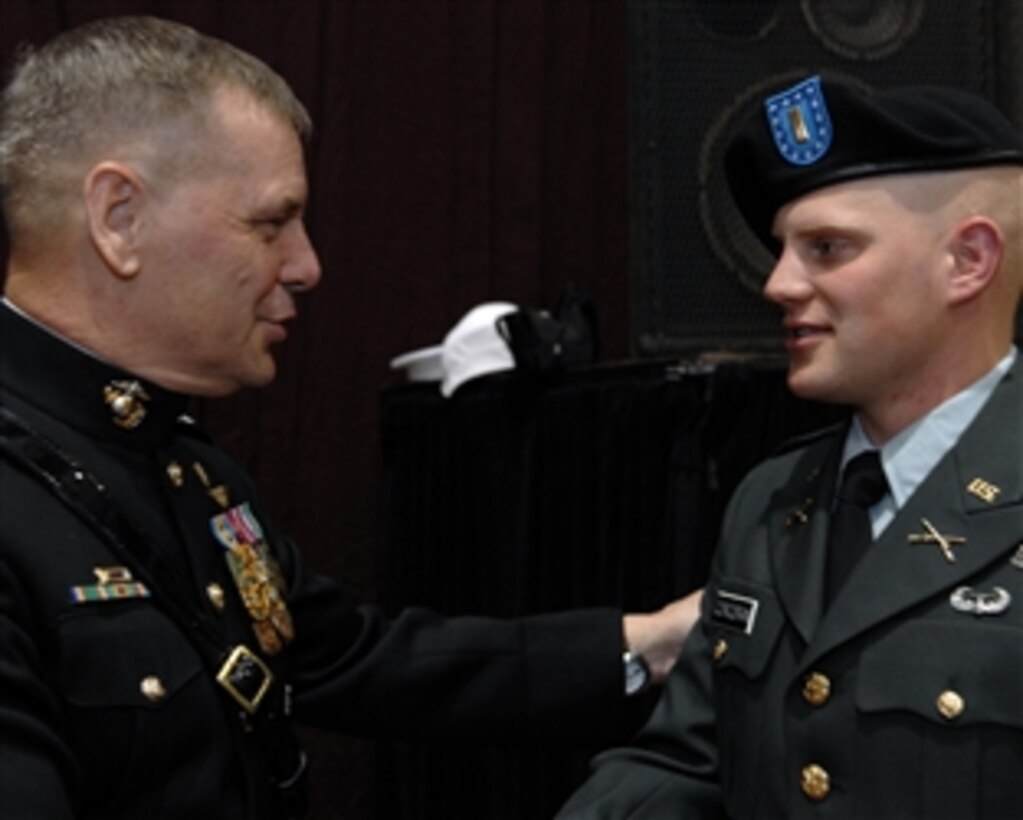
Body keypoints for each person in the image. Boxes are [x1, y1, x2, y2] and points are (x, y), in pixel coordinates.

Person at [0, 16, 703, 820]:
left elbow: (355, 660)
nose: (306, 266)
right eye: (269, 224)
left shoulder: (182, 467)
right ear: (118, 218)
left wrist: (648, 645)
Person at [558, 75, 1023, 818]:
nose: (778, 284)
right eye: (782, 250)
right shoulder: (771, 499)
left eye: (827, 248)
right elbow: (691, 760)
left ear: (966, 262)